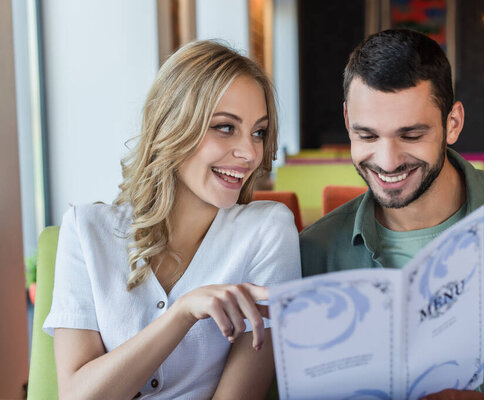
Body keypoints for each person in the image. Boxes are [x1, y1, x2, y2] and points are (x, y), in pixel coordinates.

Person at [300, 29, 484, 399]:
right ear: (348, 122)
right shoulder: (312, 255)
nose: (387, 161)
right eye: (367, 136)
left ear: (452, 123)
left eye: (411, 135)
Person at [43, 40, 301, 399]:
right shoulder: (86, 230)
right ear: (173, 125)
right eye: (226, 127)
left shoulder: (268, 231)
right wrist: (181, 315)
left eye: (258, 132)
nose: (249, 153)